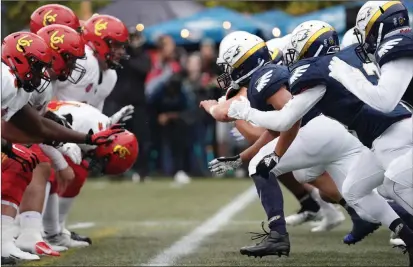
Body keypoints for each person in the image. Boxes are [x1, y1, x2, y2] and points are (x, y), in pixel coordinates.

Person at [227, 21, 413, 264]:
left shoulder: (318, 70)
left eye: (298, 49)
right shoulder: (351, 56)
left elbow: (285, 120)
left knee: (396, 186)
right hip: (379, 136)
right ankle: (409, 239)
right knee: (353, 191)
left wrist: (245, 112)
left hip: (392, 132)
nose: (293, 57)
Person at [200, 31, 381, 258]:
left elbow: (291, 118)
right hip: (330, 129)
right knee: (326, 180)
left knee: (261, 166)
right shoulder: (269, 74)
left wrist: (213, 108)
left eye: (229, 64)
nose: (226, 71)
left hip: (315, 129)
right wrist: (240, 158)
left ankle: (277, 235)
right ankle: (390, 223)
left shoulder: (266, 77)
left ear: (241, 60)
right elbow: (275, 129)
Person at [328, 0, 413, 216]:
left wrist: (349, 76)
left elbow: (384, 102)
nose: (367, 38)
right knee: (369, 187)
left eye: (367, 30)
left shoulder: (397, 43)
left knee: (395, 182)